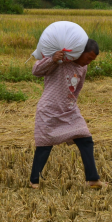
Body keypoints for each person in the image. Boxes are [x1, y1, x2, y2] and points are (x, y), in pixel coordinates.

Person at [29, 39, 105, 189]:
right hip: (49, 110)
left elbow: (77, 89)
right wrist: (52, 59)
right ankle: (34, 181)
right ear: (79, 52)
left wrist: (71, 103)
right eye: (88, 58)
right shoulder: (60, 60)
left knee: (85, 138)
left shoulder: (83, 68)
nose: (89, 62)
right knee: (44, 144)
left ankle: (92, 179)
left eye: (92, 60)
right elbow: (36, 71)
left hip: (69, 109)